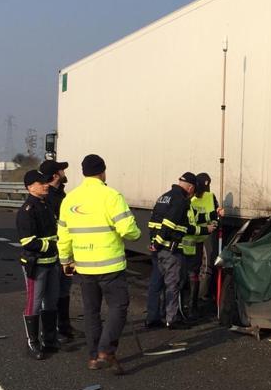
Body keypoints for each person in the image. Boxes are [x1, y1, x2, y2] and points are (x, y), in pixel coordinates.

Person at [57, 154, 141, 373]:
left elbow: (63, 235)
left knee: (92, 311)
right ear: (103, 171)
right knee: (118, 307)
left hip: (84, 266)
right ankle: (106, 350)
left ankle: (94, 357)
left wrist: (65, 260)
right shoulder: (111, 195)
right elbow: (128, 230)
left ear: (84, 172)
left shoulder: (70, 199)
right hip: (110, 266)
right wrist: (137, 232)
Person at [146, 172, 213, 329]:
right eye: (193, 190)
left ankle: (152, 317)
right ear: (190, 187)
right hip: (169, 249)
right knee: (173, 284)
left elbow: (154, 222)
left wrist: (154, 244)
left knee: (156, 284)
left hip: (157, 250)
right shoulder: (181, 201)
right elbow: (169, 225)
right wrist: (159, 243)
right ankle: (172, 319)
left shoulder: (163, 197)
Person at [16, 169, 60, 360]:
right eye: (41, 183)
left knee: (50, 302)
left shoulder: (46, 205)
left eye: (46, 182)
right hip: (37, 265)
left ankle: (49, 339)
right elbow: (28, 241)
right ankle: (33, 342)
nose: (46, 185)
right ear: (30, 187)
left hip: (52, 263)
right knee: (34, 303)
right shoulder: (27, 210)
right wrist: (53, 245)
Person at [40, 158, 82, 342]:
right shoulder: (48, 199)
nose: (65, 173)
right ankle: (54, 329)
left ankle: (64, 326)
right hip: (56, 253)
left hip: (67, 253)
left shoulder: (62, 195)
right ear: (56, 175)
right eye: (62, 171)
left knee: (65, 288)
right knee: (54, 291)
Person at [181, 172, 222, 318]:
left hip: (198, 241)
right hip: (185, 241)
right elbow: (193, 221)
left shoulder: (210, 197)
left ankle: (192, 306)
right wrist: (207, 226)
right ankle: (180, 308)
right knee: (181, 276)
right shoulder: (187, 199)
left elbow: (212, 214)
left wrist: (216, 219)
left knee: (194, 273)